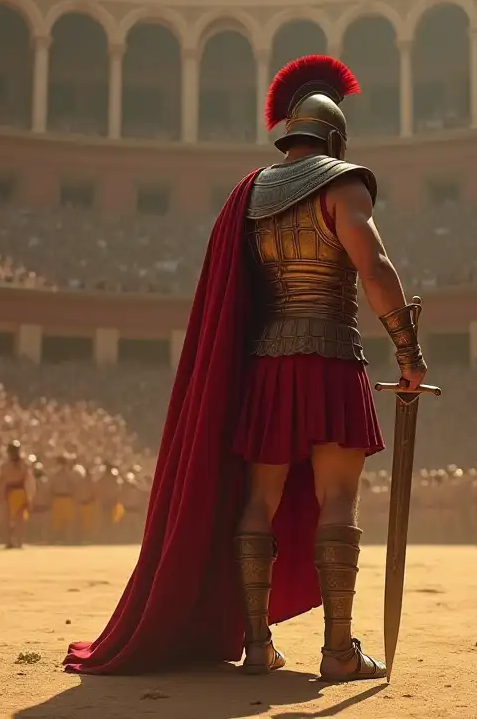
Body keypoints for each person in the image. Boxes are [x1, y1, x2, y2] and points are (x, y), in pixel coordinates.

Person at [64, 55, 427, 680]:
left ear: (288, 136)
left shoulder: (251, 193)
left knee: (259, 500)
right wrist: (408, 350)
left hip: (267, 364)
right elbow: (374, 269)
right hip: (335, 355)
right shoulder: (345, 184)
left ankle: (257, 645)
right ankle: (339, 651)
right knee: (338, 497)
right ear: (335, 138)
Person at [0, 441, 33, 549]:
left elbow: (28, 480)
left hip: (19, 491)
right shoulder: (5, 464)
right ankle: (11, 541)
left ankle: (18, 541)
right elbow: (3, 480)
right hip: (10, 492)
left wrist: (29, 496)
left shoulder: (23, 464)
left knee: (19, 519)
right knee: (9, 519)